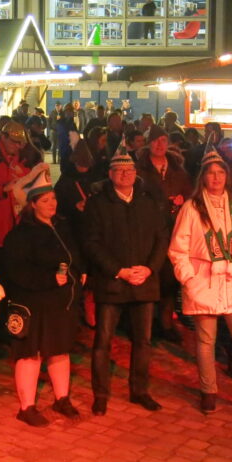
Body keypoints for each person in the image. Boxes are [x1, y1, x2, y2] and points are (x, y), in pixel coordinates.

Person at [169, 145, 232, 417]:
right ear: (202, 176)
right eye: (210, 173)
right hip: (205, 283)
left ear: (227, 176)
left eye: (220, 173)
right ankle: (208, 390)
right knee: (205, 341)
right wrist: (189, 279)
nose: (215, 178)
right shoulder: (192, 208)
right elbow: (179, 248)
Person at [83, 151, 169, 414]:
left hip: (143, 281)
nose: (125, 174)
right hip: (113, 282)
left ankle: (139, 390)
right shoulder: (98, 203)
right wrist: (118, 271)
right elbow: (91, 243)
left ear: (136, 174)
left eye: (129, 170)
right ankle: (100, 393)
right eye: (119, 170)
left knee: (143, 340)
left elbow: (161, 238)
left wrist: (150, 268)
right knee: (103, 341)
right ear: (110, 174)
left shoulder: (148, 201)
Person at [2, 171, 86, 427]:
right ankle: (26, 406)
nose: (53, 204)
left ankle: (62, 398)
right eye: (46, 200)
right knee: (32, 354)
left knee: (59, 350)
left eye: (54, 199)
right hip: (35, 303)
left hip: (61, 302)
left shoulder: (61, 226)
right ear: (33, 204)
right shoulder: (21, 234)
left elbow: (74, 253)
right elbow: (16, 271)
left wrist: (80, 271)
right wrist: (48, 279)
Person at [136, 124, 192, 344]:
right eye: (156, 140)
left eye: (163, 141)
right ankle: (146, 328)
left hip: (174, 230)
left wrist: (182, 201)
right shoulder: (141, 169)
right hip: (149, 232)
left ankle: (166, 323)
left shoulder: (177, 169)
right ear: (149, 143)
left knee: (169, 281)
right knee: (150, 278)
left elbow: (190, 194)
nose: (160, 145)